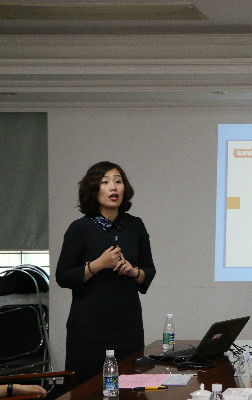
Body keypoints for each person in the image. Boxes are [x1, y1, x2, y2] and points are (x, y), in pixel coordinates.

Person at [56, 161, 156, 384]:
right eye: (105, 182)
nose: (113, 187)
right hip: (89, 329)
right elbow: (63, 276)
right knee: (86, 389)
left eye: (118, 181)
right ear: (93, 190)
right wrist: (98, 264)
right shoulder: (79, 228)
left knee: (130, 386)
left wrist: (133, 271)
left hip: (127, 326)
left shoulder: (135, 226)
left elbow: (148, 271)